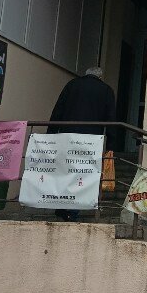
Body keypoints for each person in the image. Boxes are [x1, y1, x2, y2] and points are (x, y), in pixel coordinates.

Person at [48, 66, 117, 221]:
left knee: (64, 170)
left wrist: (51, 134)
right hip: (91, 140)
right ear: (100, 77)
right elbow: (110, 118)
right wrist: (111, 144)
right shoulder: (106, 90)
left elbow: (58, 109)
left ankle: (61, 206)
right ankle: (72, 210)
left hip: (67, 135)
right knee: (83, 174)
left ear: (85, 74)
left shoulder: (71, 85)